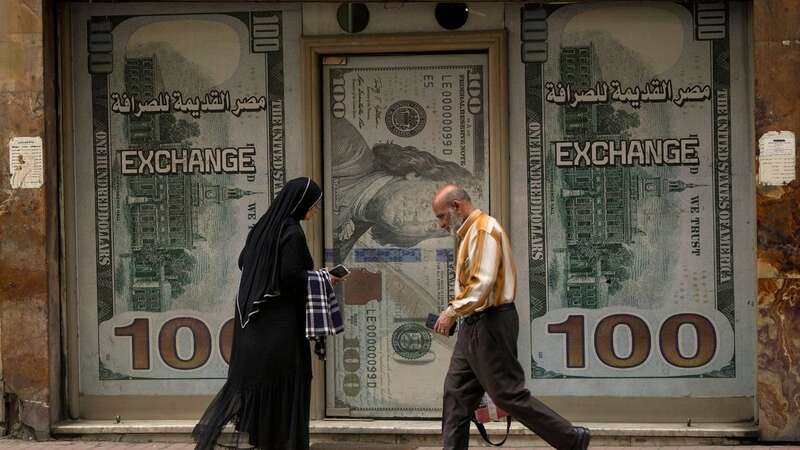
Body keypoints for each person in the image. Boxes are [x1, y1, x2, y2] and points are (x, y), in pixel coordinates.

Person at [431, 184, 591, 450]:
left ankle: (571, 439)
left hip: (491, 321)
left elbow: (482, 283)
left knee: (507, 394)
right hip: (474, 324)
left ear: (457, 206)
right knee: (456, 393)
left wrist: (451, 312)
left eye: (442, 216)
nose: (441, 224)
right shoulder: (470, 232)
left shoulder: (483, 229)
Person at [193, 177, 331, 450]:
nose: (314, 211)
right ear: (300, 202)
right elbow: (291, 277)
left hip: (252, 327)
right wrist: (325, 278)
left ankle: (263, 440)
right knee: (287, 383)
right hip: (280, 329)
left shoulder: (262, 229)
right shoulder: (291, 232)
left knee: (255, 385)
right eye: (313, 205)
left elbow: (245, 261)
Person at [330, 117, 481, 260]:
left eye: (434, 226)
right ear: (415, 174)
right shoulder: (344, 147)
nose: (419, 219)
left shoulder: (338, 253)